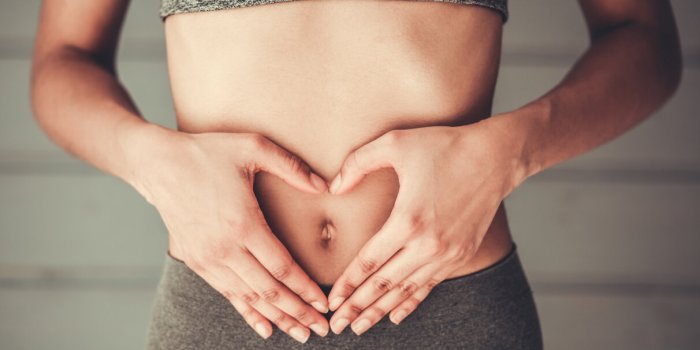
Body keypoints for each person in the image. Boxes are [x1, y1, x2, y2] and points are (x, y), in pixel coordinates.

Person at [30, 0, 682, 348]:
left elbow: (643, 39)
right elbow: (64, 58)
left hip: (449, 309)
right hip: (229, 311)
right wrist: (152, 162)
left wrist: (512, 150)